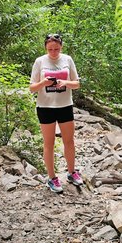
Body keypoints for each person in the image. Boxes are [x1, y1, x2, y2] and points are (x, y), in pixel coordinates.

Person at [29, 33, 83, 193]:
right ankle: (52, 178)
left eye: (56, 49)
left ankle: (72, 172)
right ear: (45, 48)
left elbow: (77, 84)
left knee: (69, 141)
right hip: (45, 107)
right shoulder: (40, 61)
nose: (53, 52)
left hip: (65, 105)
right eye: (50, 49)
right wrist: (43, 83)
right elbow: (32, 88)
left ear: (61, 47)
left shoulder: (67, 59)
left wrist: (65, 82)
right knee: (49, 143)